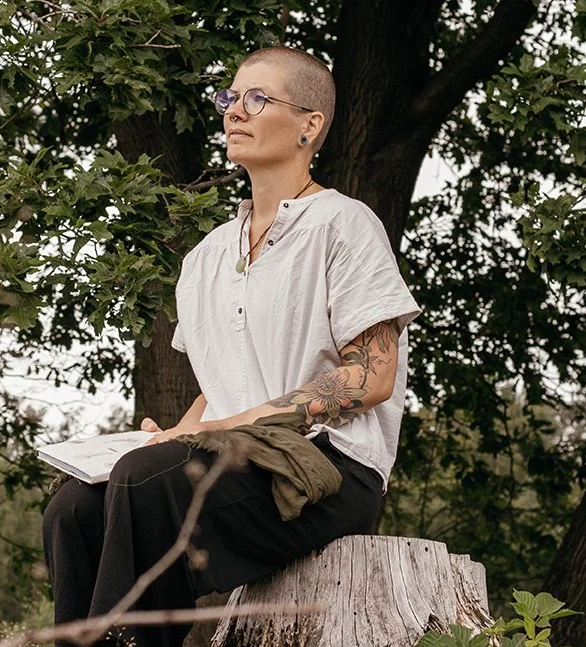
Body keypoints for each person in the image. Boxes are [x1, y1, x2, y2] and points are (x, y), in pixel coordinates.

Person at [42, 46, 421, 647]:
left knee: (144, 483)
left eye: (257, 99)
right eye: (229, 98)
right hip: (235, 459)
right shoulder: (206, 258)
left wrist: (238, 425)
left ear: (309, 125)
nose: (233, 112)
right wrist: (174, 436)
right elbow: (217, 389)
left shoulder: (344, 226)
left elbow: (369, 377)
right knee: (74, 509)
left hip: (327, 469)